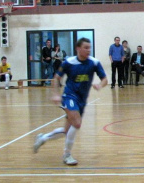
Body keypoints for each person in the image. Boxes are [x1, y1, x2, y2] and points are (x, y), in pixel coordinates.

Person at [33, 38, 108, 166]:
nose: (88, 50)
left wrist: (100, 85)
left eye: (89, 47)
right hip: (69, 96)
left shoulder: (94, 63)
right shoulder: (69, 62)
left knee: (66, 131)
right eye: (85, 47)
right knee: (77, 124)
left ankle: (43, 138)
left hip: (82, 100)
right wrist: (56, 94)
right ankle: (67, 154)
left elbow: (105, 79)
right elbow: (56, 78)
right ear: (78, 49)